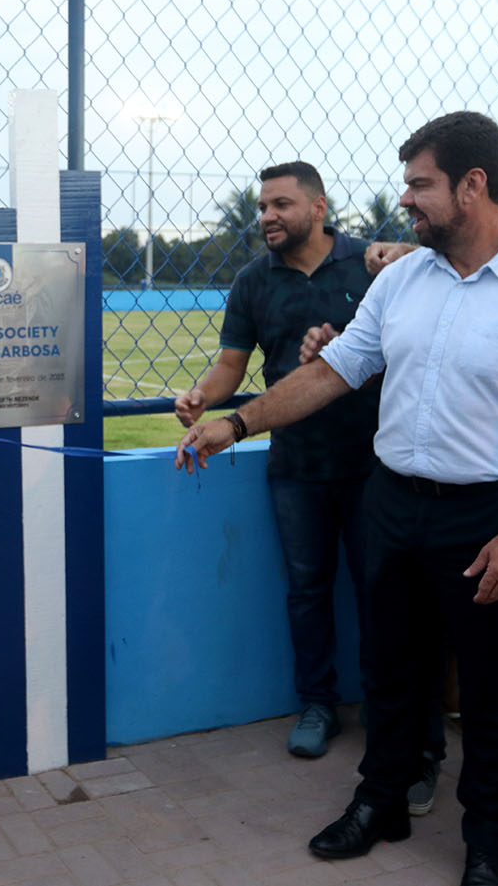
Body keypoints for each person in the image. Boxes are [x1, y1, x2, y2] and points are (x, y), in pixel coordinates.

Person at [178, 112, 498, 886]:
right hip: (392, 504)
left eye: (420, 184)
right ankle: (380, 800)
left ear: (472, 185)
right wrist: (237, 422)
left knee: (494, 689)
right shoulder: (405, 279)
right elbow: (335, 369)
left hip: (493, 516)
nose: (404, 200)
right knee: (388, 669)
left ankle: (487, 843)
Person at [176, 162, 400, 760]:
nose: (267, 217)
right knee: (307, 590)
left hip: (376, 462)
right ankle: (318, 704)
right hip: (297, 464)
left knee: (383, 590)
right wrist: (203, 396)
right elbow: (232, 364)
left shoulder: (372, 264)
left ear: (318, 208)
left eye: (280, 205)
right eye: (262, 207)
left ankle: (388, 705)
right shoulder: (252, 280)